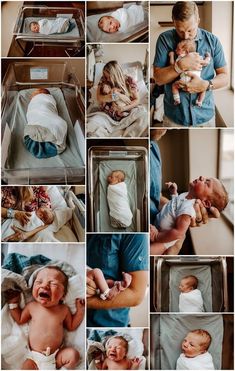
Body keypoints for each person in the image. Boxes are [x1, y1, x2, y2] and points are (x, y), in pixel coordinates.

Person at [153, 1, 228, 127]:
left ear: (198, 20)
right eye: (180, 31)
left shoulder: (213, 41)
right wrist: (179, 66)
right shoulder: (164, 40)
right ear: (173, 21)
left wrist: (206, 85)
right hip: (174, 118)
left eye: (190, 30)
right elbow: (158, 79)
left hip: (205, 116)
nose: (186, 36)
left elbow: (225, 77)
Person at [6, 266, 85, 370]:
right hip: (34, 357)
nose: (45, 285)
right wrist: (13, 303)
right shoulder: (32, 306)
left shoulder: (63, 310)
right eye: (39, 282)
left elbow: (71, 326)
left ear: (63, 295)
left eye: (53, 283)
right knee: (25, 367)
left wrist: (80, 310)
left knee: (73, 355)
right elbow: (20, 319)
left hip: (57, 356)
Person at [150, 177, 228, 254]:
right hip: (156, 228)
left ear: (206, 203)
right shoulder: (186, 195)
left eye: (206, 183)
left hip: (164, 239)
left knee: (148, 252)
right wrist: (174, 194)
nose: (201, 177)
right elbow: (176, 205)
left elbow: (178, 233)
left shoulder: (188, 210)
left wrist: (157, 236)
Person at [87, 234, 148, 327]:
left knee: (98, 274)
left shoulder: (134, 235)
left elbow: (136, 295)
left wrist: (86, 301)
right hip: (77, 319)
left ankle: (109, 291)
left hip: (109, 324)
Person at [24, 88, 67, 158]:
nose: (32, 96)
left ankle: (46, 136)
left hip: (46, 110)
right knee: (58, 124)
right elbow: (33, 109)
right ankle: (50, 137)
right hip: (38, 113)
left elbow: (49, 106)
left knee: (57, 123)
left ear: (42, 93)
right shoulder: (34, 101)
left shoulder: (47, 98)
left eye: (34, 94)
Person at [169, 39, 211, 106]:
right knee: (203, 89)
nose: (175, 50)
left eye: (178, 49)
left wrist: (171, 56)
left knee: (174, 86)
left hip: (183, 80)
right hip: (197, 81)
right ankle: (200, 101)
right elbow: (206, 63)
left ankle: (177, 99)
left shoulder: (180, 59)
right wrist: (208, 57)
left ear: (186, 51)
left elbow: (172, 65)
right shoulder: (197, 57)